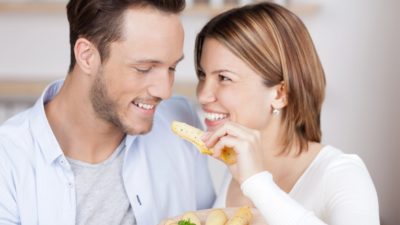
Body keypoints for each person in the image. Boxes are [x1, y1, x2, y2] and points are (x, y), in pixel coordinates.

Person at [0, 0, 216, 224]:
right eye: (144, 68)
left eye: (172, 67)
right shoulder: (7, 160)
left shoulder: (180, 122)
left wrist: (245, 176)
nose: (165, 90)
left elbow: (216, 216)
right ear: (87, 56)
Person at [194, 2, 379, 225]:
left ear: (280, 93)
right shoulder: (234, 166)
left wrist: (257, 183)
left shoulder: (343, 175)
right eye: (203, 75)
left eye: (224, 78)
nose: (203, 95)